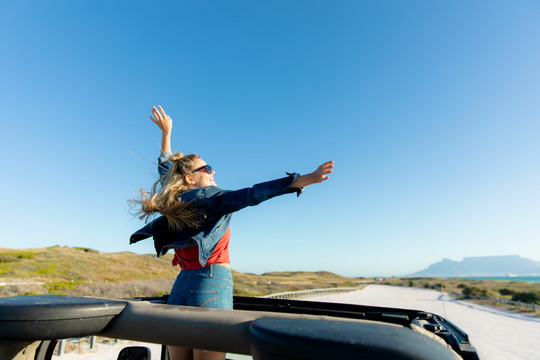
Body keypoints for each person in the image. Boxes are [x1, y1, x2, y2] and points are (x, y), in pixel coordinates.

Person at [130, 105, 334, 360]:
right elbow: (252, 194)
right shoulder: (209, 197)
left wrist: (166, 135)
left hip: (181, 286)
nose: (212, 171)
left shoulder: (175, 200)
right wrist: (305, 179)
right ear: (190, 179)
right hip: (211, 282)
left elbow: (165, 170)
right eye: (206, 168)